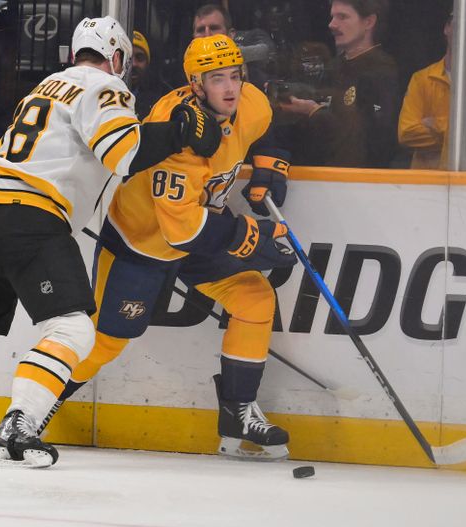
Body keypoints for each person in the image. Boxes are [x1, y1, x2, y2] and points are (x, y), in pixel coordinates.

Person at [0, 16, 222, 468]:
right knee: (73, 327)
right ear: (117, 57)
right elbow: (123, 154)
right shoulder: (105, 86)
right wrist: (178, 130)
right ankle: (19, 423)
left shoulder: (45, 86)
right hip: (29, 217)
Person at [39, 35, 298, 461]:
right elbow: (181, 232)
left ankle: (237, 412)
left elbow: (267, 124)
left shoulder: (248, 101)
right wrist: (252, 239)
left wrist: (271, 160)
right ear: (196, 85)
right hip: (144, 242)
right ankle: (32, 408)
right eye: (218, 79)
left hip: (199, 228)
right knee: (104, 342)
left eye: (236, 76)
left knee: (254, 297)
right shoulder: (177, 133)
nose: (231, 88)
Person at [280, 0, 400, 168]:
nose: (332, 25)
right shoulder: (333, 67)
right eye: (332, 17)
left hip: (360, 179)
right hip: (317, 174)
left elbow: (374, 136)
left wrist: (314, 112)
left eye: (342, 17)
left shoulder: (381, 71)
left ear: (369, 22)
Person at [398, 14, 455, 169]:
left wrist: (437, 123)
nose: (464, 32)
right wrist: (456, 136)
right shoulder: (422, 79)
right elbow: (406, 134)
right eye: (458, 24)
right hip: (424, 183)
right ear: (446, 28)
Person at [130, 30, 161, 119]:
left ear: (147, 63)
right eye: (129, 57)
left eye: (139, 58)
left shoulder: (158, 102)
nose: (134, 64)